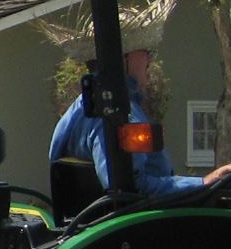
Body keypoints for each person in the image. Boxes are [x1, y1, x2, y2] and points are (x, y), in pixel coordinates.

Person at [50, 42, 231, 197]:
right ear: (121, 57)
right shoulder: (114, 112)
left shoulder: (84, 106)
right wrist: (205, 183)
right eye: (146, 52)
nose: (150, 60)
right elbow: (129, 189)